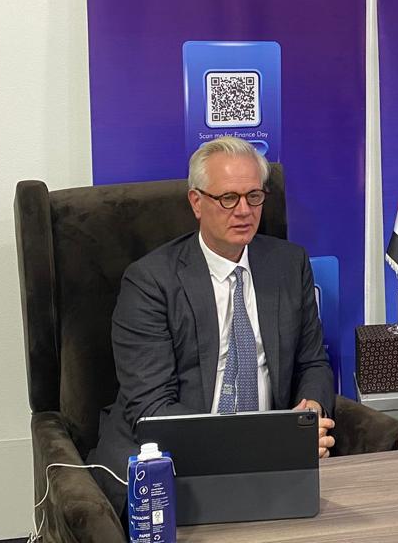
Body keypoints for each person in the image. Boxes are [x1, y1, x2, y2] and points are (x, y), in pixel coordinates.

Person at [91, 136, 335, 511]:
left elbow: (313, 362)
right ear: (196, 202)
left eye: (254, 196)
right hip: (176, 455)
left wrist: (309, 414)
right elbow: (152, 407)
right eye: (228, 198)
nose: (244, 211)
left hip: (273, 458)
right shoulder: (151, 281)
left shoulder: (289, 264)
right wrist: (260, 443)